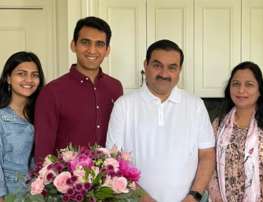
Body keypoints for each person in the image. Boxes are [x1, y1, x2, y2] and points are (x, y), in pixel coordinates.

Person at [106, 39, 215, 202]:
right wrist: (143, 198)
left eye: (172, 67)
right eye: (157, 65)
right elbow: (113, 160)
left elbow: (207, 155)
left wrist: (194, 196)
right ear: (146, 65)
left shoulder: (195, 105)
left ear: (180, 70)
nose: (164, 74)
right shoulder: (124, 105)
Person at [34, 16, 123, 163]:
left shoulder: (115, 88)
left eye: (99, 44)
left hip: (109, 182)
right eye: (85, 42)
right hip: (67, 183)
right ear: (73, 45)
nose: (92, 50)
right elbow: (43, 151)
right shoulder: (52, 92)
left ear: (107, 50)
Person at [208, 62, 263, 202]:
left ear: (260, 90)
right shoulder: (219, 124)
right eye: (235, 84)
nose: (241, 90)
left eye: (249, 84)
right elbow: (209, 163)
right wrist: (217, 197)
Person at [0, 51, 45, 201]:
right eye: (21, 73)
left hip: (35, 193)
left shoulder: (41, 115)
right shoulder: (1, 118)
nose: (28, 80)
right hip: (9, 194)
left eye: (34, 75)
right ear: (8, 78)